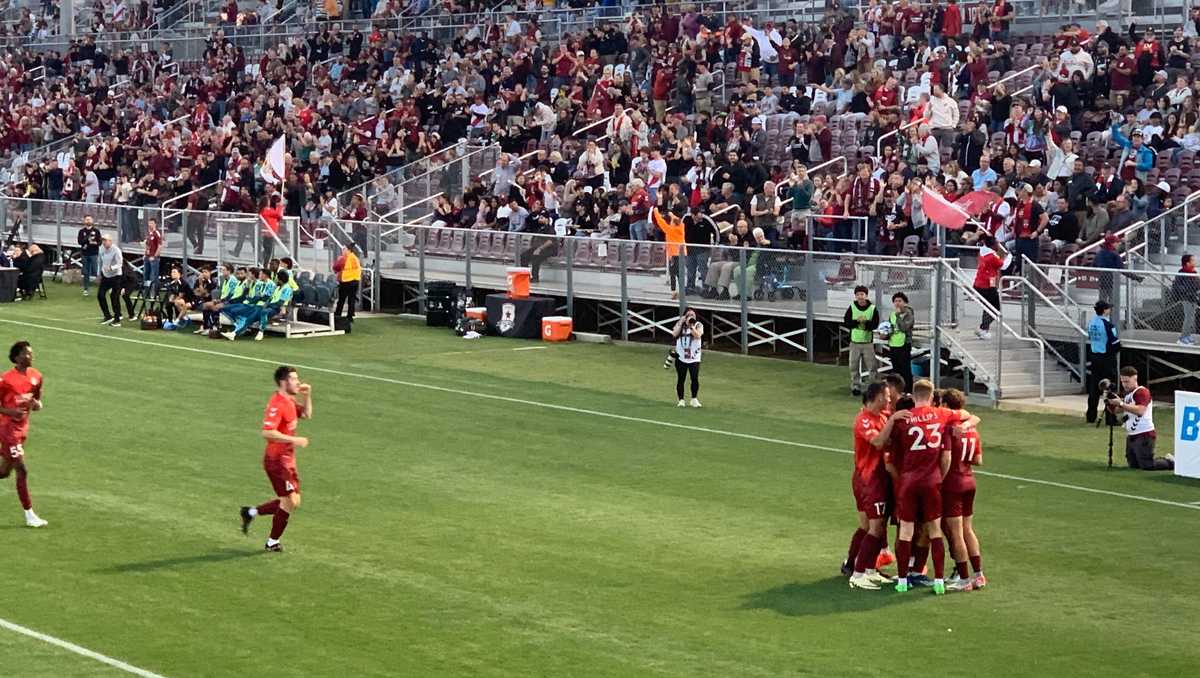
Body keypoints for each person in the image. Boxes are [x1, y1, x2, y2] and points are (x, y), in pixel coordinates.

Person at [885, 379, 978, 595]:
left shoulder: (903, 419)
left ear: (914, 396)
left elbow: (889, 448)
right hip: (932, 481)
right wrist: (963, 427)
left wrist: (892, 419)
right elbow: (971, 417)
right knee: (935, 530)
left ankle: (902, 580)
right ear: (932, 398)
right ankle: (938, 581)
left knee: (906, 530)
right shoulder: (941, 414)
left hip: (908, 481)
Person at [239, 366, 313, 551]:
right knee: (289, 502)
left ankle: (250, 512)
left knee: (293, 501)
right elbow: (267, 432)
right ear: (283, 382)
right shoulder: (277, 403)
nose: (298, 382)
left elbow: (306, 414)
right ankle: (272, 542)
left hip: (288, 460)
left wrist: (307, 395)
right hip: (277, 461)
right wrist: (294, 439)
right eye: (294, 379)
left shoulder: (289, 400)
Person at [847, 382, 897, 591]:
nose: (889, 399)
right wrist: (893, 420)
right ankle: (858, 573)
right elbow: (877, 442)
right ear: (876, 396)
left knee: (871, 527)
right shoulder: (864, 420)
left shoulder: (882, 416)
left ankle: (868, 570)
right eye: (886, 395)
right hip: (869, 481)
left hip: (877, 479)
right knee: (875, 528)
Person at [938, 388, 986, 591]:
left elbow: (946, 458)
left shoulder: (950, 428)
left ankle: (964, 579)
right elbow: (978, 460)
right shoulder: (972, 430)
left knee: (955, 533)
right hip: (969, 481)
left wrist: (939, 479)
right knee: (968, 529)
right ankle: (978, 575)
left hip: (953, 484)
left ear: (947, 406)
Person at [0, 341, 48, 527]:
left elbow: (36, 399)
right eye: (27, 353)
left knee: (4, 472)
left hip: (22, 430)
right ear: (17, 357)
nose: (31, 356)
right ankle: (29, 515)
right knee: (22, 470)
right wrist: (9, 412)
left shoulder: (36, 376)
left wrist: (37, 405)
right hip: (7, 429)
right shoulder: (6, 380)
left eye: (31, 353)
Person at [1107, 366, 1174, 471]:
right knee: (1133, 465)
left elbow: (1140, 410)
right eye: (1123, 381)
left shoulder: (1142, 392)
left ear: (1135, 379)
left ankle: (1170, 462)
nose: (1125, 384)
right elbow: (1116, 411)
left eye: (1127, 381)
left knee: (1147, 465)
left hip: (1144, 433)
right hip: (1132, 434)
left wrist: (1120, 403)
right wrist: (1110, 402)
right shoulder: (1129, 395)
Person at [1086, 301, 1121, 424]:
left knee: (1094, 388)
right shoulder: (1108, 325)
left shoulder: (1091, 323)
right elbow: (1115, 343)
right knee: (1110, 388)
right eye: (1108, 308)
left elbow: (1090, 337)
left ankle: (1091, 416)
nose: (1110, 310)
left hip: (1094, 357)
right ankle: (1110, 419)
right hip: (1107, 359)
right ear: (1105, 310)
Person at [973, 234, 1011, 340]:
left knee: (988, 307)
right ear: (993, 245)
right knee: (995, 309)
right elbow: (1003, 265)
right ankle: (982, 329)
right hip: (987, 286)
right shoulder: (991, 256)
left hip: (980, 284)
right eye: (997, 243)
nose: (999, 245)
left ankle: (983, 329)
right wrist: (1009, 257)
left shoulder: (983, 251)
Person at [844, 285, 879, 396]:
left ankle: (872, 387)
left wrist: (866, 323)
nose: (860, 297)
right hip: (854, 342)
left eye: (862, 294)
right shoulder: (852, 307)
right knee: (853, 365)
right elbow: (847, 322)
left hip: (867, 342)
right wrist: (857, 321)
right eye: (858, 294)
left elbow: (875, 324)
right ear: (855, 296)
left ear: (866, 295)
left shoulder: (872, 308)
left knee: (872, 366)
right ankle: (855, 386)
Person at [672, 308, 703, 407]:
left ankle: (694, 399)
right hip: (681, 357)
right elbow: (674, 334)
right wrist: (681, 323)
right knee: (681, 379)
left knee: (694, 378)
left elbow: (698, 336)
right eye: (688, 314)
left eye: (693, 315)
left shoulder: (698, 325)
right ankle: (681, 400)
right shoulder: (680, 324)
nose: (691, 316)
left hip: (694, 358)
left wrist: (691, 326)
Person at [884, 293, 915, 392]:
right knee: (895, 369)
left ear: (905, 302)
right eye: (895, 301)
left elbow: (904, 328)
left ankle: (908, 390)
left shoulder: (909, 314)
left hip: (904, 344)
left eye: (900, 301)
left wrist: (898, 316)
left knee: (905, 369)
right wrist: (885, 333)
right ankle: (897, 390)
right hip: (893, 344)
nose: (897, 303)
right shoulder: (892, 314)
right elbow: (890, 327)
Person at [333, 243, 361, 331]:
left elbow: (335, 267)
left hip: (346, 281)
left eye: (344, 249)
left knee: (341, 300)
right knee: (351, 300)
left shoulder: (344, 258)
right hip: (355, 281)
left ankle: (337, 315)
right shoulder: (355, 258)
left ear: (348, 250)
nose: (342, 250)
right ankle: (350, 316)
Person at [98, 235, 125, 326]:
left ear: (110, 241)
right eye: (103, 241)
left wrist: (111, 268)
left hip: (116, 276)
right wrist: (100, 273)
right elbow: (100, 261)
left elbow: (120, 264)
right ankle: (107, 316)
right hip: (106, 276)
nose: (104, 242)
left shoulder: (116, 250)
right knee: (100, 295)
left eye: (105, 240)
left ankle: (117, 319)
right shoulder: (101, 249)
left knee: (114, 296)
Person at [1172, 254, 1199, 345]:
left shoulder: (1194, 273)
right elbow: (1178, 286)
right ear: (1187, 263)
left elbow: (1197, 285)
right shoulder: (1182, 272)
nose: (1195, 262)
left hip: (1193, 298)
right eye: (1193, 260)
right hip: (1186, 298)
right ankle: (1182, 337)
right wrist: (1188, 291)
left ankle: (1187, 335)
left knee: (1191, 318)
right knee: (1188, 318)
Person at [77, 216, 101, 297]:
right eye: (87, 219)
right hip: (85, 253)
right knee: (86, 272)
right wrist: (87, 238)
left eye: (90, 219)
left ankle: (103, 286)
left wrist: (95, 243)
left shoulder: (96, 231)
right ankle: (86, 289)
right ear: (84, 221)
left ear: (92, 220)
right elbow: (80, 242)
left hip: (94, 253)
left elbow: (99, 242)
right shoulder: (81, 231)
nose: (88, 221)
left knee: (95, 270)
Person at [142, 219, 162, 291]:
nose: (150, 225)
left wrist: (155, 256)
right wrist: (145, 254)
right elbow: (147, 246)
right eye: (149, 223)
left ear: (155, 224)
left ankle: (154, 293)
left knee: (153, 276)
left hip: (153, 258)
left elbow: (160, 246)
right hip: (147, 257)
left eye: (152, 223)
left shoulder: (157, 233)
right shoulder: (149, 234)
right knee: (146, 275)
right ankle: (146, 291)